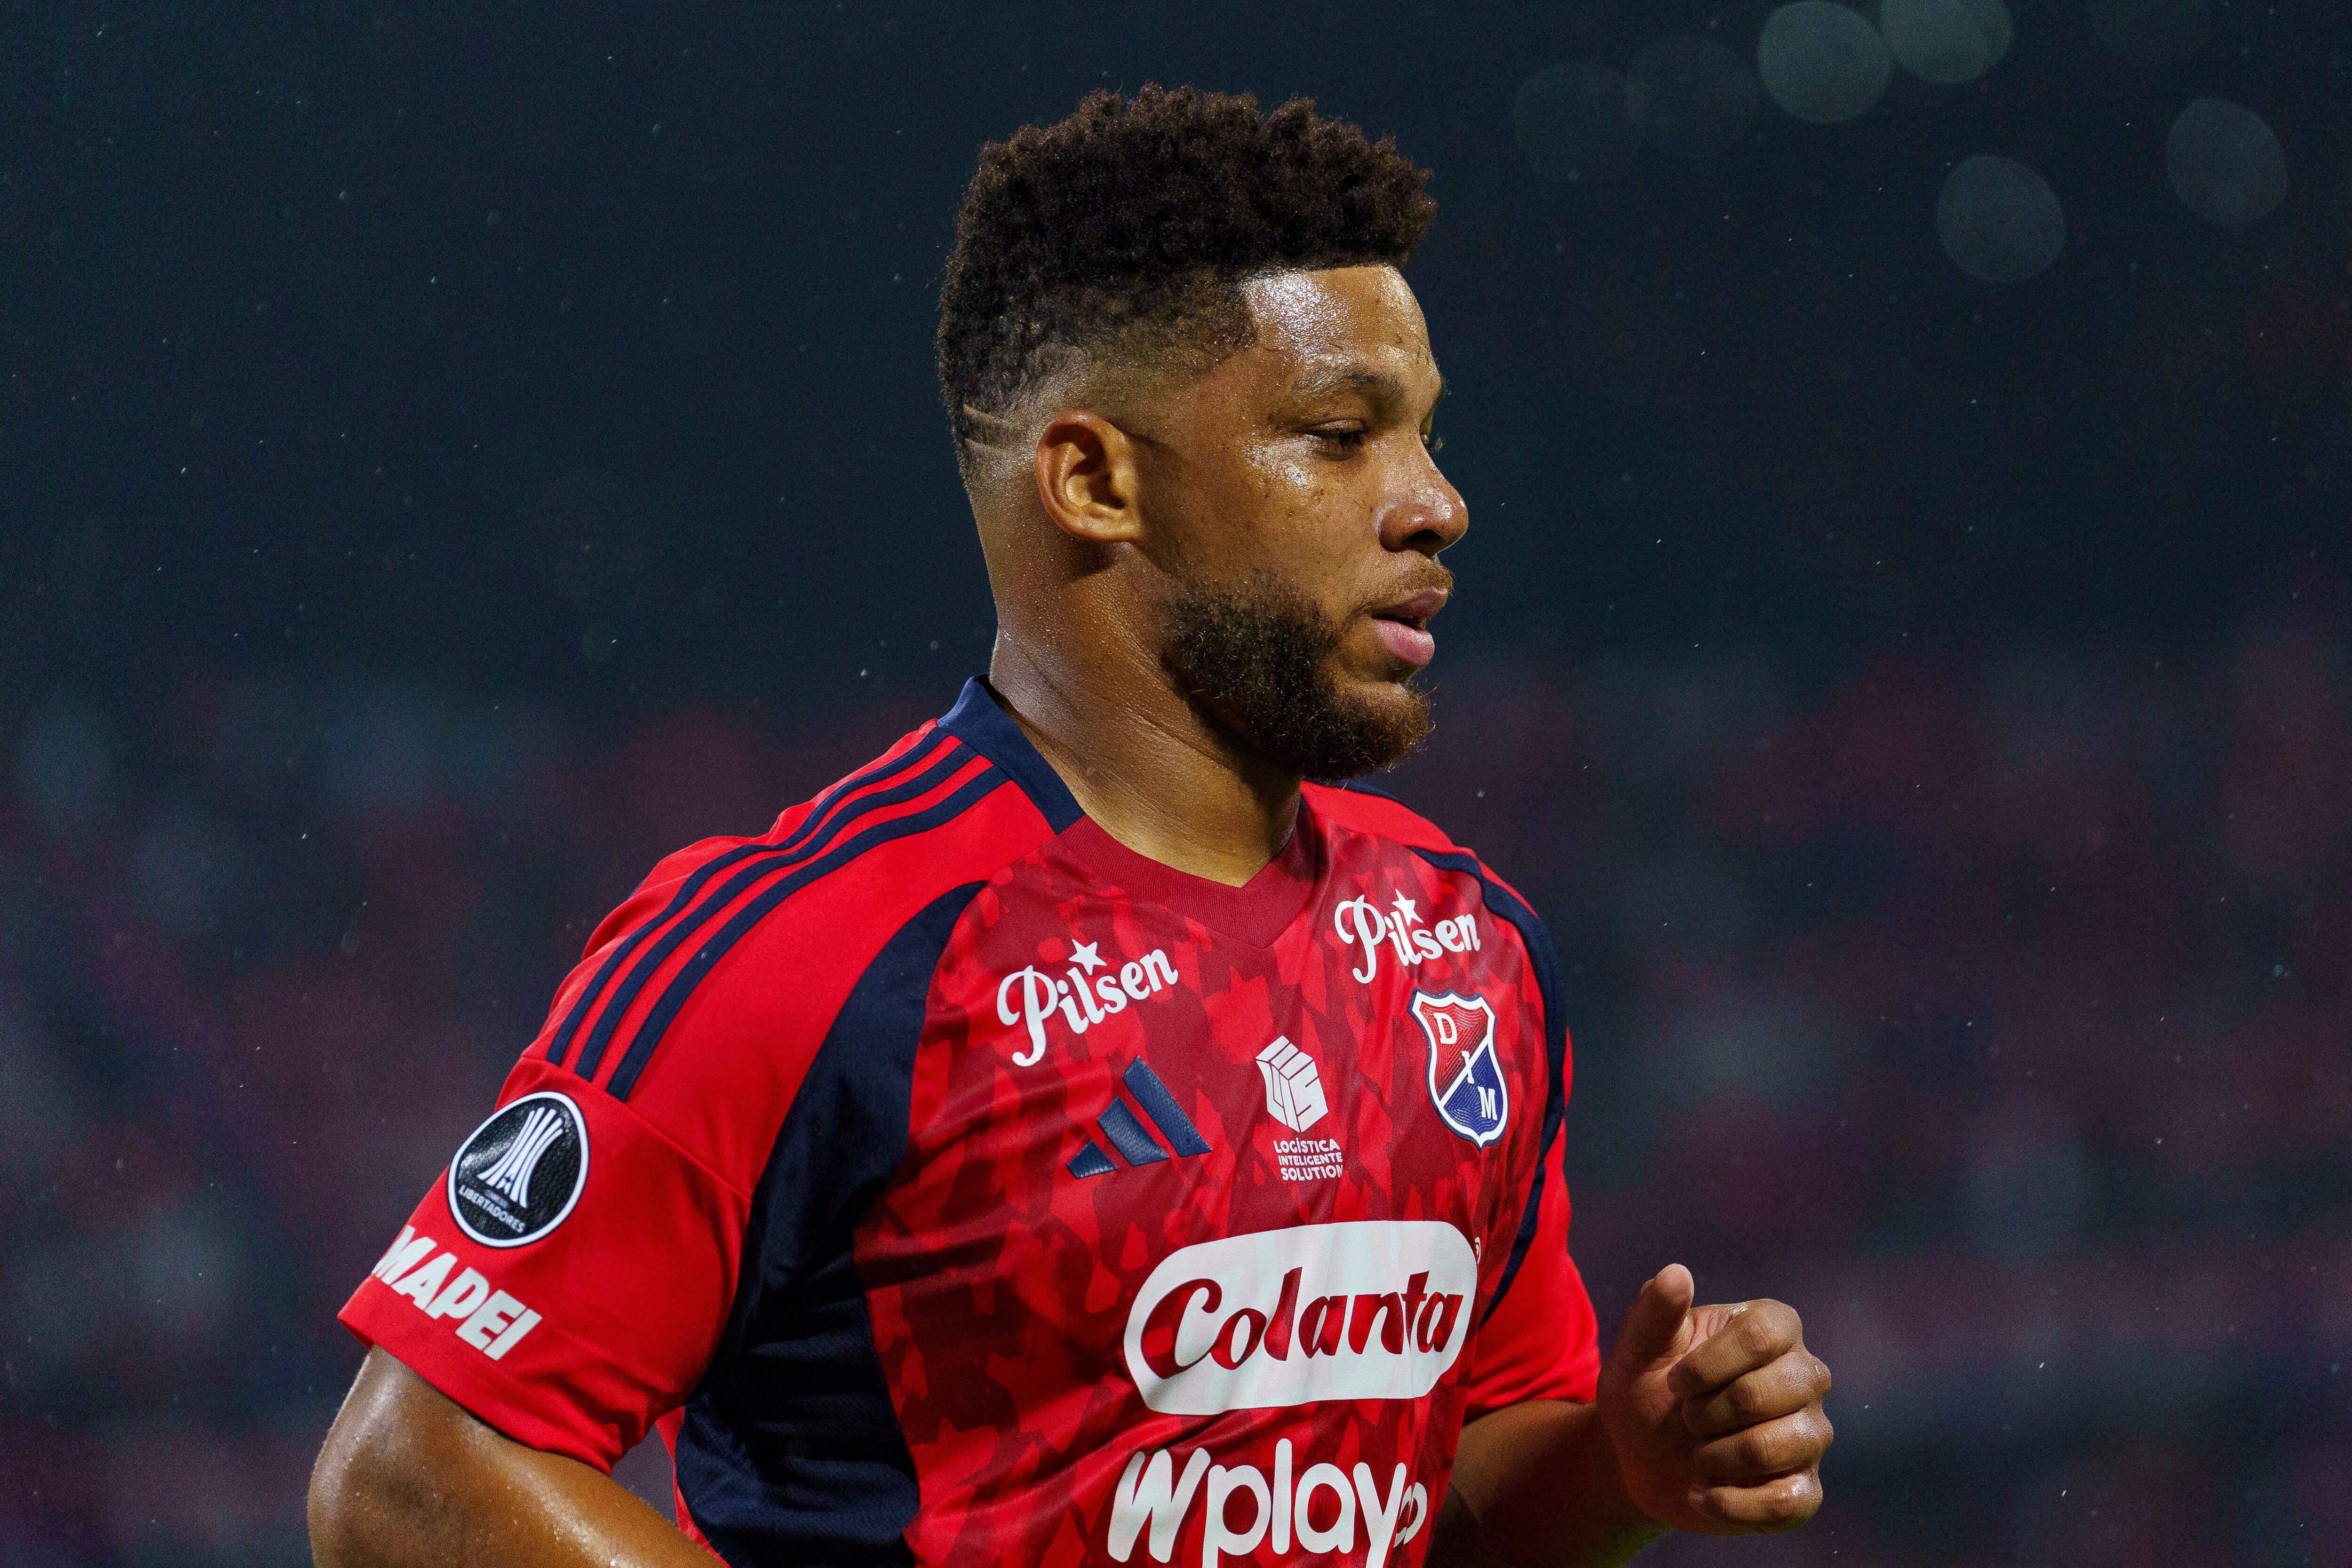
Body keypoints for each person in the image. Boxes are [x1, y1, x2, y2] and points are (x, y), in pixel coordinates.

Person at [307, 86, 1832, 1568]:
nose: (1436, 502)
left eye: (1427, 433)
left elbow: (1453, 1485)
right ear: (1096, 480)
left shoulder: (1465, 945)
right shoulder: (817, 951)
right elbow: (413, 1478)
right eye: (1339, 433)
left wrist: (1623, 1469)